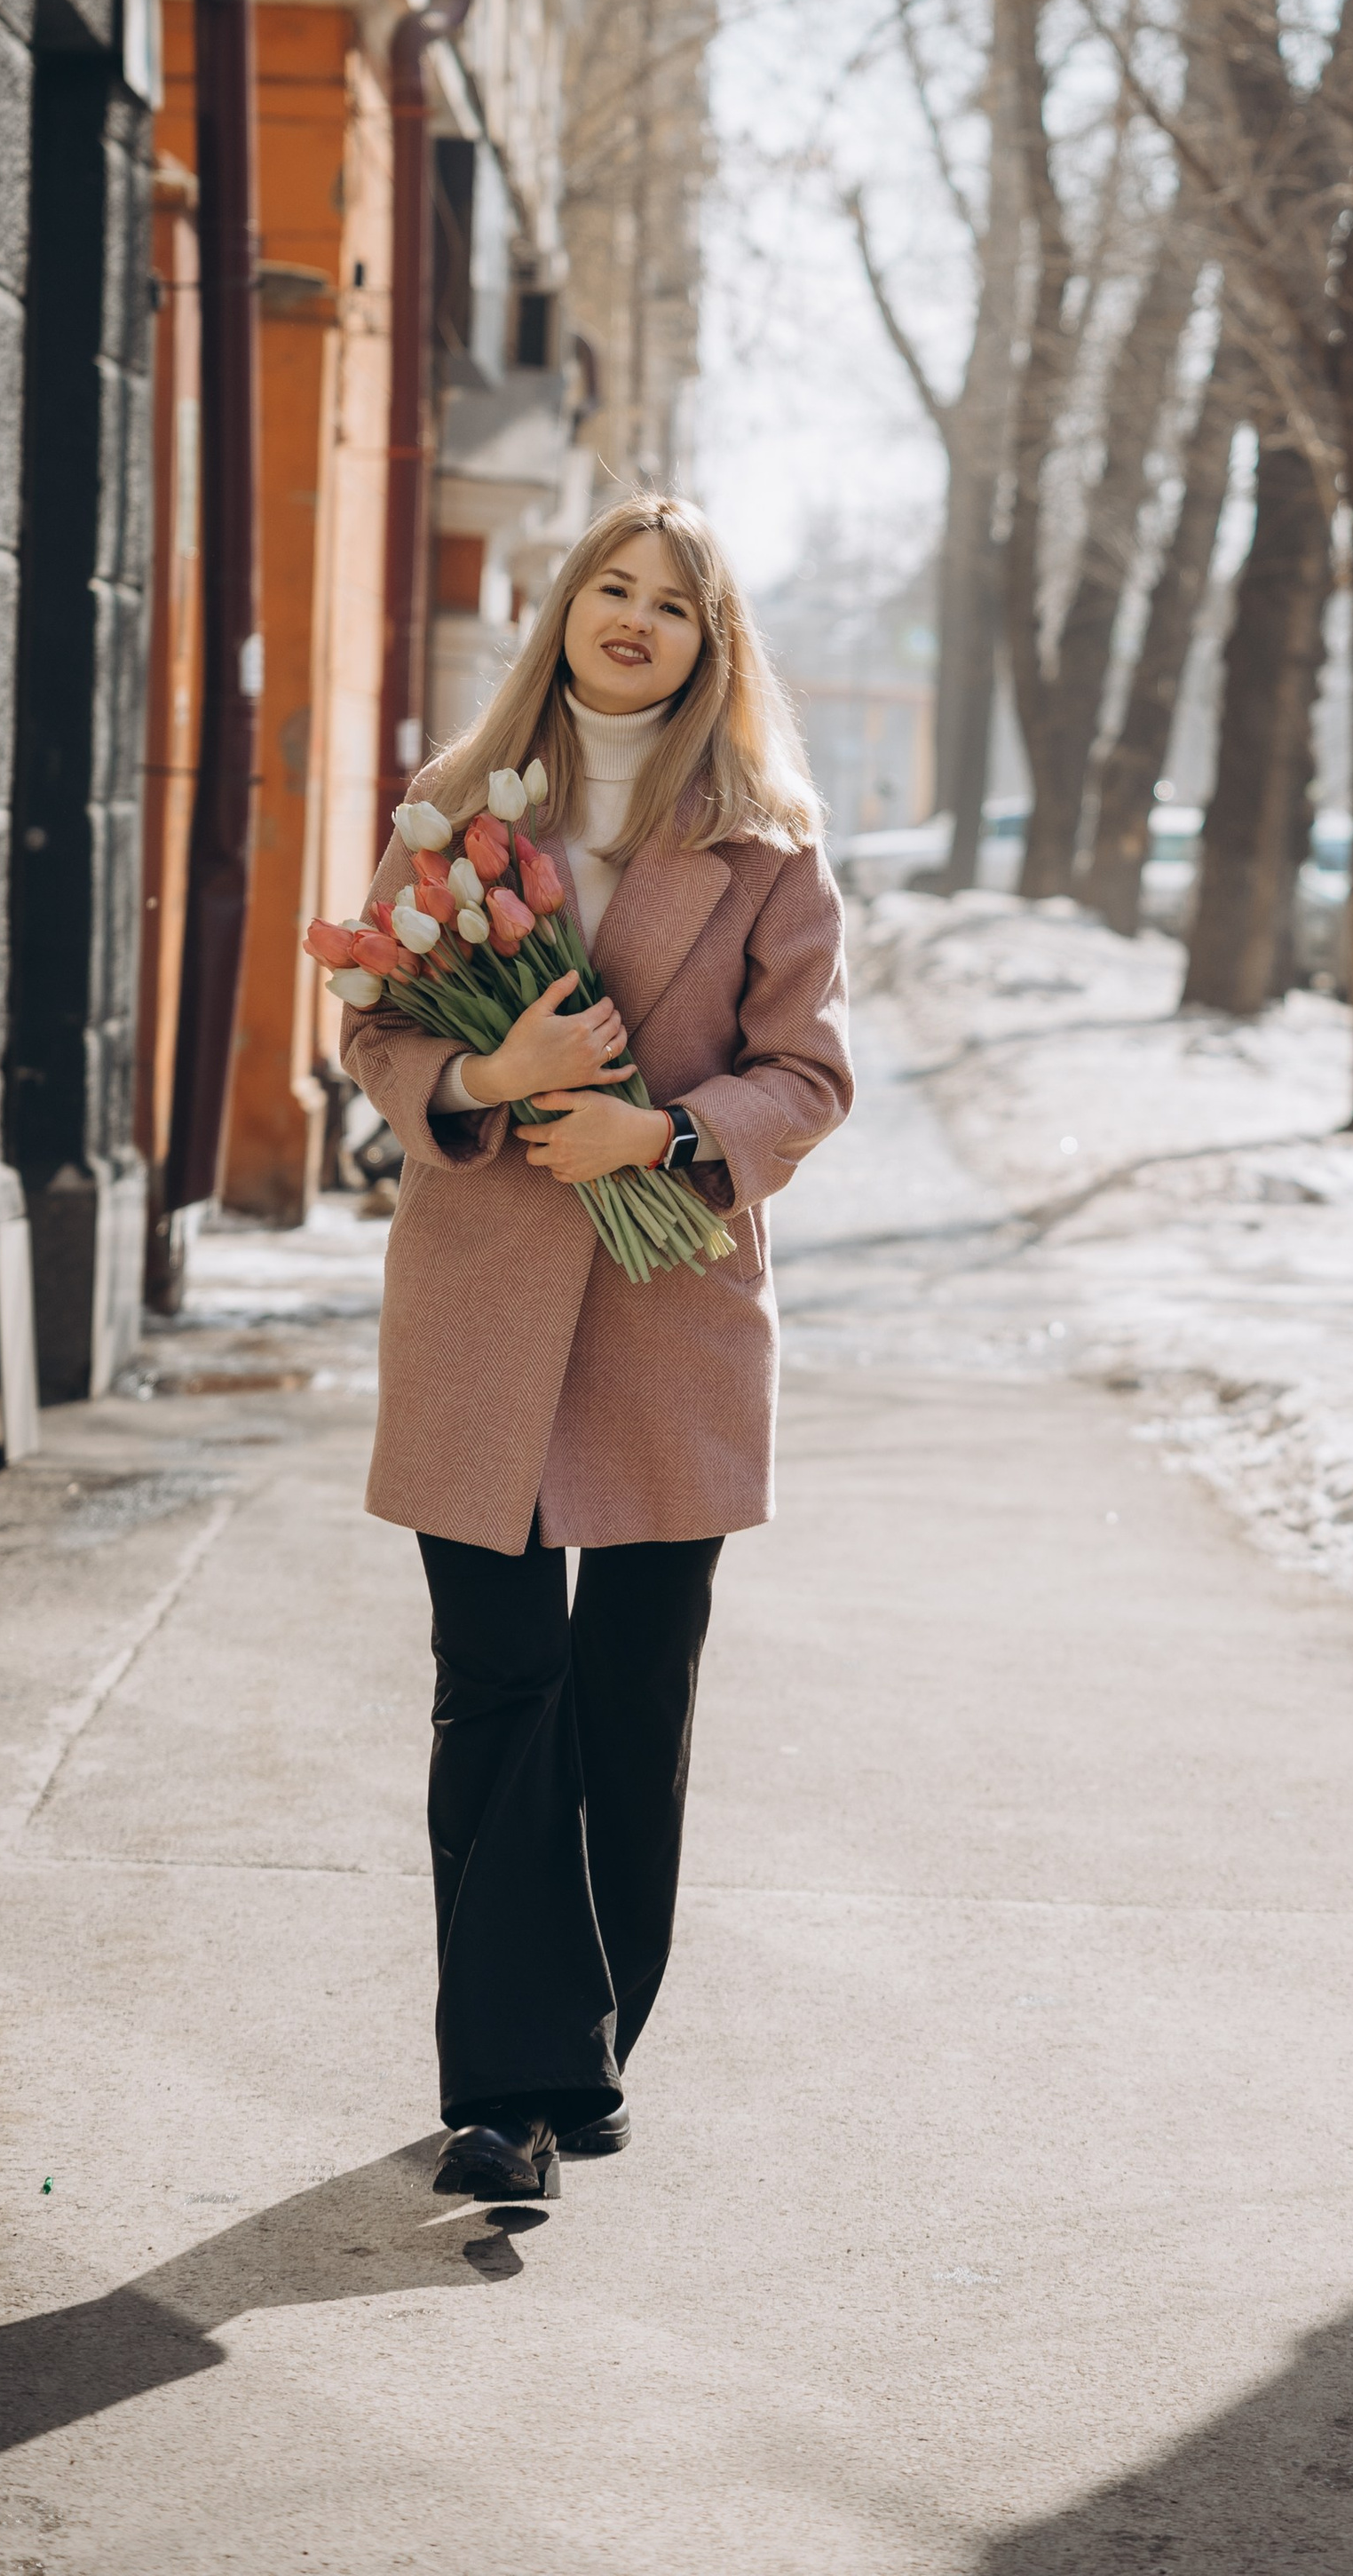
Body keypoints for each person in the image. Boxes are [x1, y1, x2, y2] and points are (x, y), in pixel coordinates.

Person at [340, 495, 851, 2200]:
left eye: (674, 606)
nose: (635, 621)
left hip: (666, 1313)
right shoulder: (457, 811)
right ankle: (510, 2085)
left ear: (716, 649)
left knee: (631, 1694)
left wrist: (667, 1137)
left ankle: (590, 2043)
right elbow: (378, 1022)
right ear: (564, 612)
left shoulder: (770, 847)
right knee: (501, 1679)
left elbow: (811, 1077)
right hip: (482, 1307)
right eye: (610, 591)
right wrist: (484, 1083)